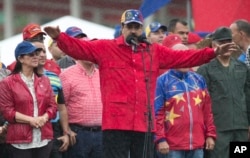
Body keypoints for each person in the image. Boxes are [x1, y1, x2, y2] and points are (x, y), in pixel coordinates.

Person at [44, 9, 235, 158]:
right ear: (123, 27)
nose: (133, 30)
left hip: (143, 123)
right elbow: (79, 48)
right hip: (116, 124)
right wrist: (58, 38)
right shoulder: (106, 48)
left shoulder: (153, 51)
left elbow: (184, 57)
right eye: (130, 26)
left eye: (137, 27)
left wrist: (213, 52)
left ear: (142, 29)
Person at [154, 40, 216, 158]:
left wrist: (210, 135)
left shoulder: (199, 80)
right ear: (174, 57)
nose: (185, 60)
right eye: (181, 56)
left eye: (187, 56)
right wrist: (160, 139)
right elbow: (157, 113)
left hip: (197, 145)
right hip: (172, 147)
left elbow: (207, 111)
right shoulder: (162, 81)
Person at [197, 27, 250, 158]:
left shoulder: (242, 68)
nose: (226, 46)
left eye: (228, 42)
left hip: (241, 128)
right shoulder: (205, 70)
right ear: (214, 45)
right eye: (222, 43)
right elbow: (201, 103)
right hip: (218, 130)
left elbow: (248, 97)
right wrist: (207, 132)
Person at [0, 41, 57, 158]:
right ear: (20, 59)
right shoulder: (7, 83)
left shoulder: (45, 80)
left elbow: (53, 106)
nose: (36, 57)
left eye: (36, 54)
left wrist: (44, 117)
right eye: (31, 55)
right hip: (20, 141)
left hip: (43, 138)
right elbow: (7, 112)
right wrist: (31, 120)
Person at [31, 41, 74, 158]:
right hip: (30, 129)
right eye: (37, 51)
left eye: (44, 51)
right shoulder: (20, 79)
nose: (42, 54)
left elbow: (62, 107)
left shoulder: (54, 77)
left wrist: (65, 133)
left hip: (53, 129)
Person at [60, 52, 103, 158]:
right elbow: (60, 105)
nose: (91, 54)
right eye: (86, 50)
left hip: (101, 133)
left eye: (93, 50)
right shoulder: (66, 75)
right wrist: (66, 130)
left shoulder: (102, 74)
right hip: (78, 134)